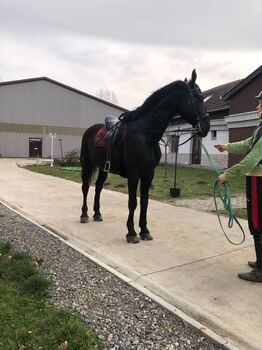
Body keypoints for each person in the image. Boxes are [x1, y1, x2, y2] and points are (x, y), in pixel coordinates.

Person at [215, 90, 262, 283]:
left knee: (257, 222)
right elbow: (246, 145)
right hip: (257, 179)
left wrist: (227, 174)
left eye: (261, 103)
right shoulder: (260, 128)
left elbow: (250, 160)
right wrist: (226, 147)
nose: (257, 106)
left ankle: (260, 270)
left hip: (258, 181)